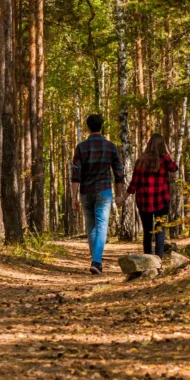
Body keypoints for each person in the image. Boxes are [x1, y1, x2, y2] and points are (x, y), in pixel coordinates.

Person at [71, 114, 125, 275]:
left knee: (91, 226)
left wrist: (74, 197)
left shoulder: (81, 147)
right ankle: (96, 261)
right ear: (101, 127)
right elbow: (119, 172)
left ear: (88, 127)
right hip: (104, 191)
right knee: (101, 226)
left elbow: (75, 174)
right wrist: (119, 194)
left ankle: (96, 260)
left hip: (86, 191)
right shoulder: (110, 147)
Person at [118, 134, 178, 259]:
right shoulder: (165, 159)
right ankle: (158, 261)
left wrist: (123, 198)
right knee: (160, 231)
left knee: (147, 232)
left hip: (144, 201)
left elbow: (134, 184)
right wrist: (168, 154)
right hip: (162, 200)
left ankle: (147, 260)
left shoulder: (141, 160)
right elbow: (174, 168)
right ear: (163, 146)